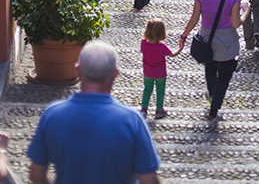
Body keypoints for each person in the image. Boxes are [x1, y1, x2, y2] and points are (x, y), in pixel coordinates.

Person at [27, 41, 160, 184]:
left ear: (78, 71)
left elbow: (36, 175)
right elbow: (149, 180)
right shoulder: (132, 121)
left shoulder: (52, 116)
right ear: (115, 74)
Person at [180, 0, 250, 122]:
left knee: (210, 69)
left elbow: (195, 18)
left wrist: (184, 35)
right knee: (225, 75)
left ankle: (212, 95)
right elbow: (235, 23)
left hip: (206, 38)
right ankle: (214, 109)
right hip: (226, 41)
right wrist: (246, 11)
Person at [140, 18, 184, 119]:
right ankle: (159, 110)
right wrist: (180, 48)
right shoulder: (162, 47)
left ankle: (144, 109)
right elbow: (172, 54)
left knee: (147, 89)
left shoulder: (143, 43)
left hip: (147, 72)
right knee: (160, 91)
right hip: (160, 73)